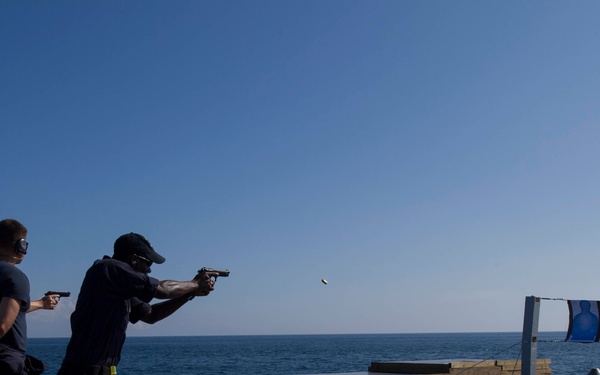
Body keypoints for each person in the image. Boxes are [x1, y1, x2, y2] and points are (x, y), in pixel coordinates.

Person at [57, 232, 217, 375]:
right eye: (148, 263)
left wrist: (189, 294)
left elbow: (151, 315)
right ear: (134, 259)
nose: (149, 270)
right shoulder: (108, 268)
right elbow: (161, 289)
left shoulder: (117, 285)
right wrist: (195, 284)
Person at [0, 218, 62, 374]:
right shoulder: (14, 276)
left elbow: (9, 309)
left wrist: (41, 304)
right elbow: (2, 325)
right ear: (20, 246)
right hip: (6, 362)